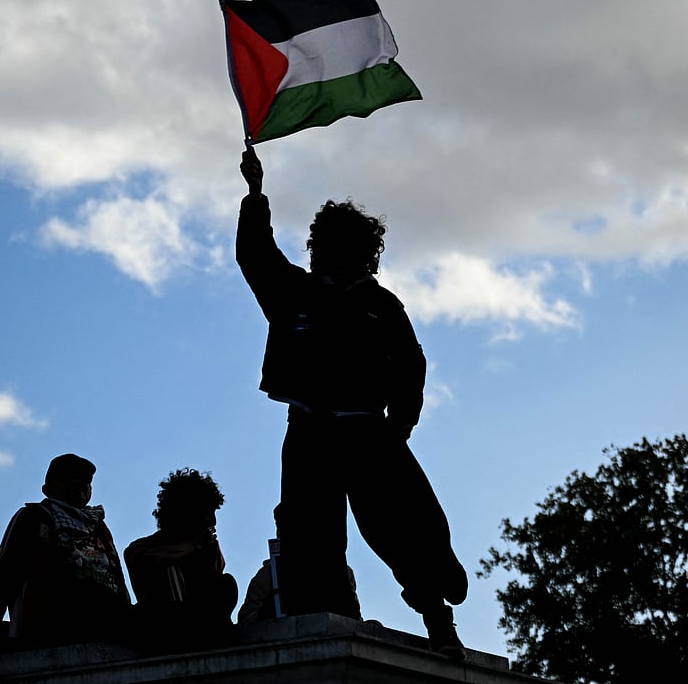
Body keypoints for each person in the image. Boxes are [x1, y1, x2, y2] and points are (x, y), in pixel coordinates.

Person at [236, 147, 468, 658]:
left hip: (369, 434)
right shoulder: (292, 291)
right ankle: (323, 622)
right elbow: (256, 255)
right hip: (309, 433)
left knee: (407, 529)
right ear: (318, 249)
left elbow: (412, 369)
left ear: (367, 257)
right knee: (307, 532)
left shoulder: (382, 307)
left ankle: (438, 619)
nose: (341, 260)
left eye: (353, 253)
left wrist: (397, 429)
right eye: (332, 249)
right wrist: (255, 194)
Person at [0, 454, 131, 670]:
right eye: (69, 478)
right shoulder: (34, 517)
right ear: (48, 487)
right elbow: (2, 578)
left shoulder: (99, 527)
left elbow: (117, 579)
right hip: (50, 627)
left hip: (105, 627)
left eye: (85, 481)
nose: (79, 485)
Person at [124, 468, 238, 650]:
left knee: (226, 584)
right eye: (207, 513)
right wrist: (191, 546)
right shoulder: (142, 548)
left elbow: (216, 586)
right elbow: (144, 560)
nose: (213, 522)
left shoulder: (206, 547)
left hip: (203, 629)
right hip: (164, 631)